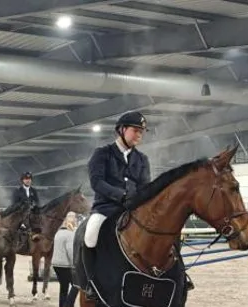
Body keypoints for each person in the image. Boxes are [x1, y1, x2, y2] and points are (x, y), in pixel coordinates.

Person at [81, 111, 195, 294]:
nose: (139, 135)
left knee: (169, 232)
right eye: (136, 130)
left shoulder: (142, 159)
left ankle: (180, 276)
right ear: (122, 130)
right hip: (107, 208)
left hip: (135, 208)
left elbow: (145, 186)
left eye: (141, 132)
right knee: (91, 234)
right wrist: (120, 195)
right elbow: (97, 182)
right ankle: (92, 282)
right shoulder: (102, 154)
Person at [52, 212, 80, 307]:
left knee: (63, 286)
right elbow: (70, 251)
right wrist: (75, 264)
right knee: (77, 284)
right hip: (65, 264)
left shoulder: (58, 233)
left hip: (56, 263)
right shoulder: (70, 234)